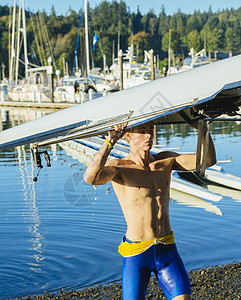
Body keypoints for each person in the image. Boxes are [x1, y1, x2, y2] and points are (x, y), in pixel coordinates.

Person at [83, 121, 216, 300]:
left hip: (167, 248)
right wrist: (110, 141)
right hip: (137, 253)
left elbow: (207, 160)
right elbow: (90, 178)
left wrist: (203, 129)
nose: (149, 135)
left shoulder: (165, 161)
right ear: (128, 135)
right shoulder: (119, 168)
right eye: (143, 132)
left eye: (150, 131)